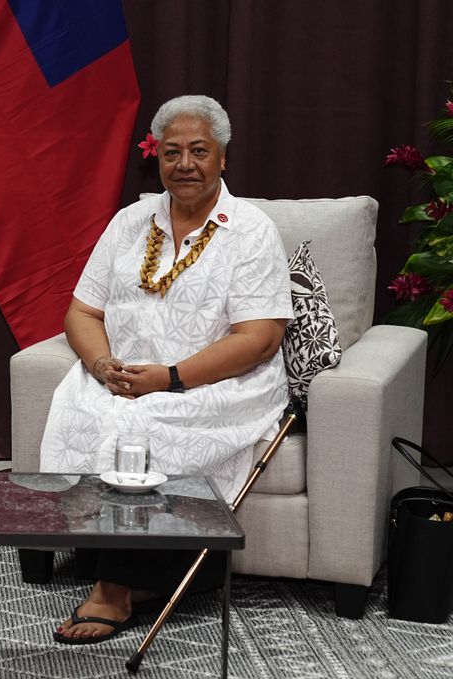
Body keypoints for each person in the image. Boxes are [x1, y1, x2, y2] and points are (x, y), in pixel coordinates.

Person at [39, 96, 292, 645]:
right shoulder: (131, 222)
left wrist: (170, 377)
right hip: (124, 373)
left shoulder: (250, 230)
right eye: (172, 151)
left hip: (219, 379)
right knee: (82, 411)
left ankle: (111, 588)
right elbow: (83, 311)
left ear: (223, 157)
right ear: (157, 157)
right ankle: (155, 577)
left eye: (199, 151)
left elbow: (261, 336)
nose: (185, 164)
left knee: (142, 429)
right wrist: (103, 364)